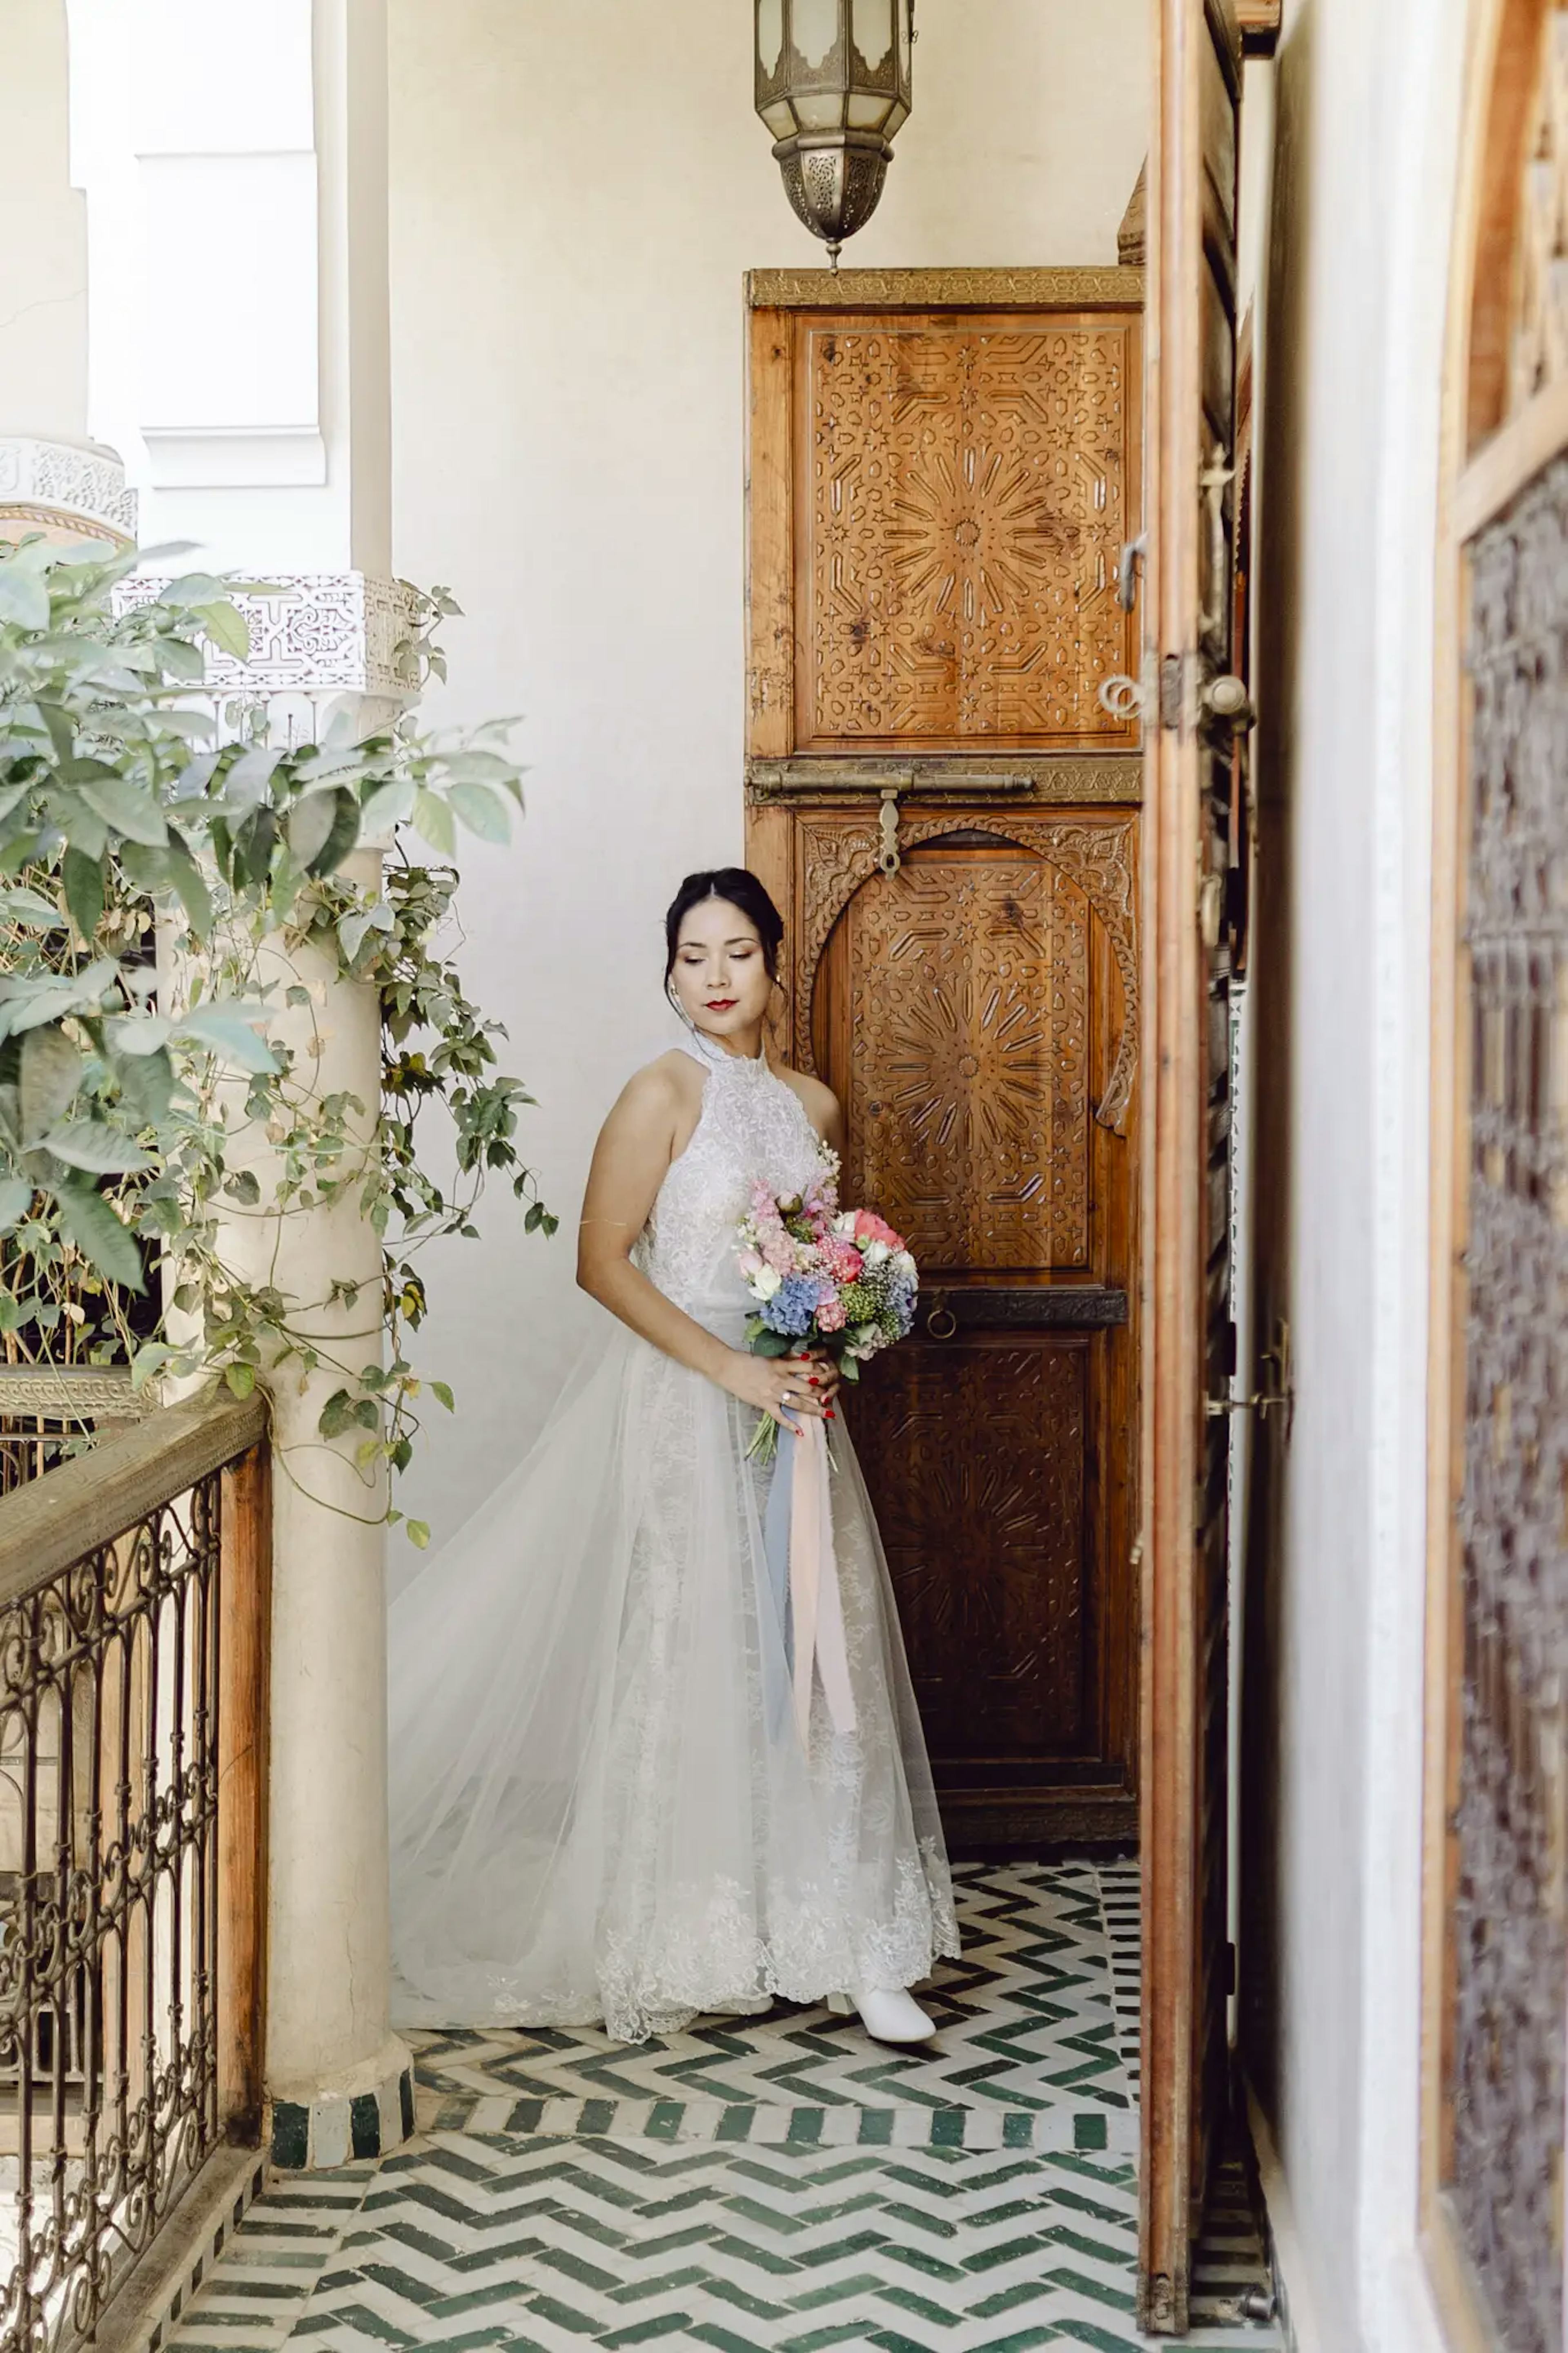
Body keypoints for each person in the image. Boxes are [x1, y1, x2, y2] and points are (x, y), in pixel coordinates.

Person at [388, 868, 958, 2043]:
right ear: (669, 971)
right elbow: (603, 1264)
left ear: (773, 963)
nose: (714, 976)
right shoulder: (657, 1094)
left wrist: (821, 1339)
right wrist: (732, 1367)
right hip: (691, 1405)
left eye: (737, 952)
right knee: (705, 1647)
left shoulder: (815, 1104)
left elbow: (822, 1258)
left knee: (819, 1646)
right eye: (693, 955)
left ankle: (851, 1936)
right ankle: (693, 1924)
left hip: (794, 1417)